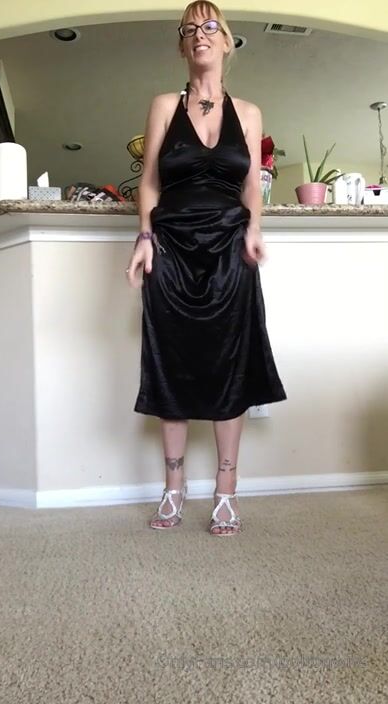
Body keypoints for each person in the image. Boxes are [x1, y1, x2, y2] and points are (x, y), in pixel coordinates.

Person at [126, 1, 287, 535]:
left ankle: (226, 491)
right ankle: (173, 487)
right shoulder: (162, 106)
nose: (200, 33)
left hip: (229, 248)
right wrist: (144, 237)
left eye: (210, 25)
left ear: (227, 41)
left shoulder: (250, 112)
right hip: (170, 248)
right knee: (169, 362)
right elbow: (150, 182)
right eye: (190, 28)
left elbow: (251, 188)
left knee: (229, 365)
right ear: (182, 44)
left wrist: (254, 229)